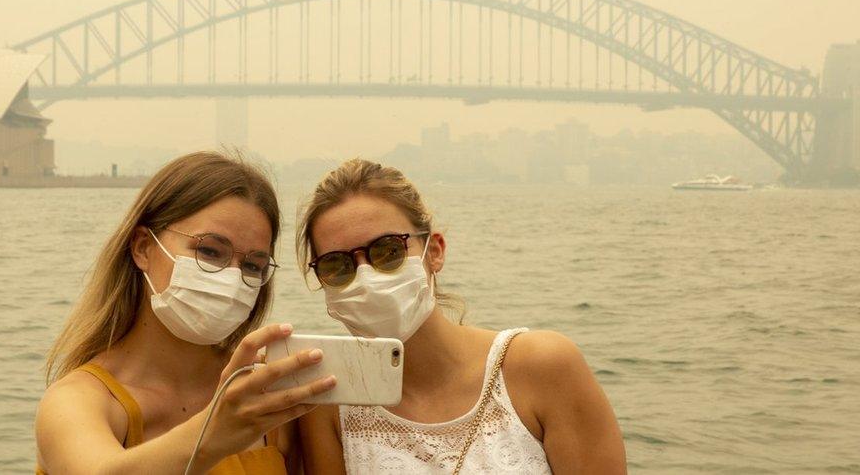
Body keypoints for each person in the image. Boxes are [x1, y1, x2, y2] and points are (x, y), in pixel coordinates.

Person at [296, 159, 626, 474]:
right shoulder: (328, 404)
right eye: (337, 266)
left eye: (388, 251)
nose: (366, 276)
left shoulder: (543, 367)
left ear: (434, 251)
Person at [35, 152, 335, 474]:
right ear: (142, 248)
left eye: (252, 265)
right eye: (209, 251)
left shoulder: (266, 395)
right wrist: (214, 432)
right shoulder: (81, 401)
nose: (232, 277)